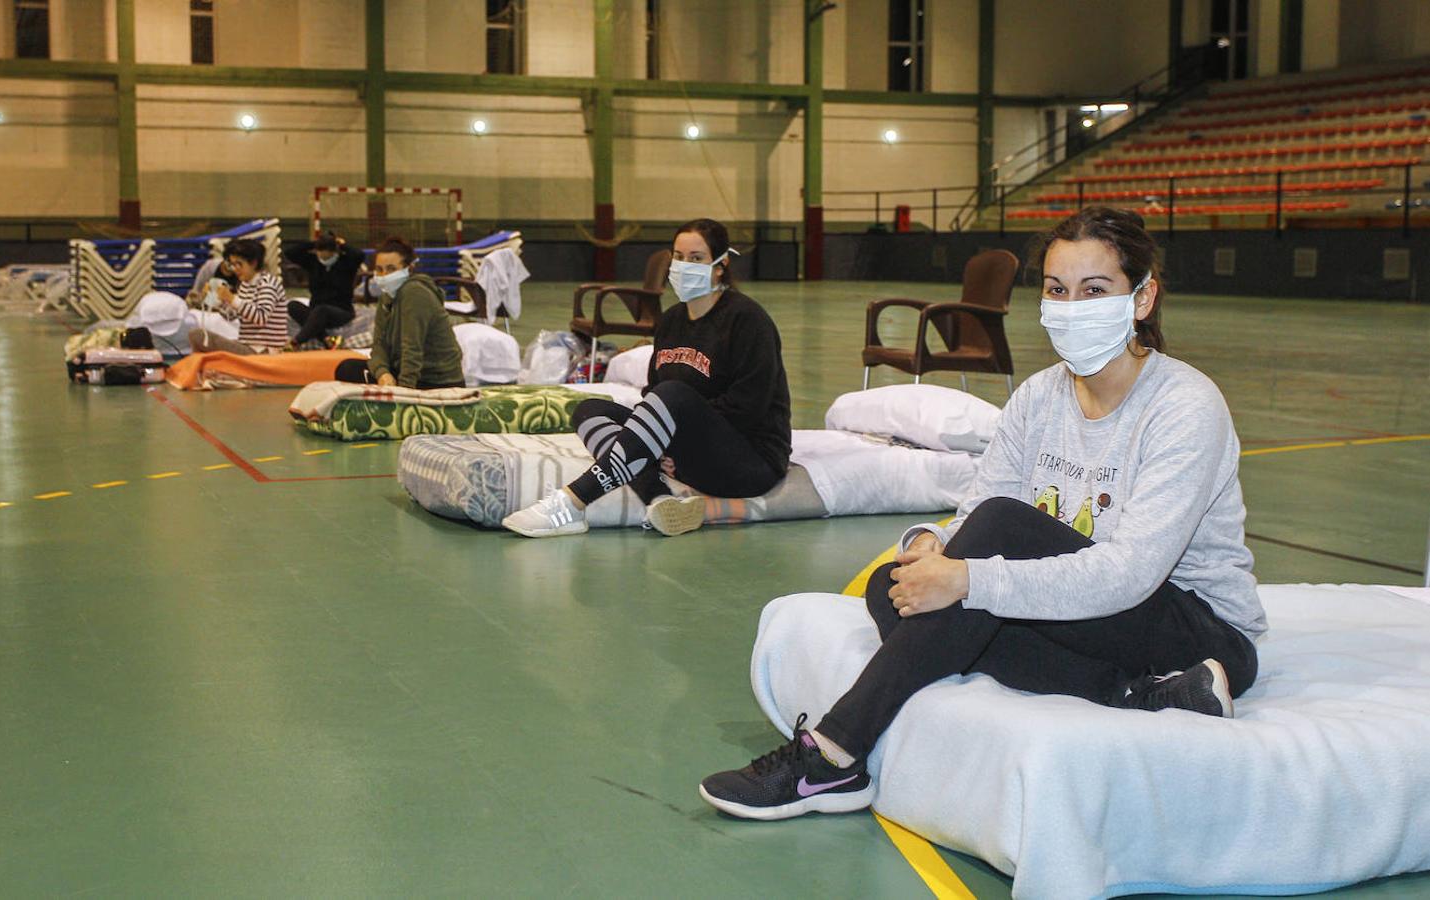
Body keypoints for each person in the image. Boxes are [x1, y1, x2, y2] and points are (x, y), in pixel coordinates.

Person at [698, 206, 1267, 821]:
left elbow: (1127, 573)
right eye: (1057, 290)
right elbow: (971, 514)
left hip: (1195, 626)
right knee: (896, 590)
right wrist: (930, 545)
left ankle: (835, 753)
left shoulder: (1184, 405)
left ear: (1142, 297)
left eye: (1094, 290)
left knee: (996, 537)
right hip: (1097, 622)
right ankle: (1133, 696)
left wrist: (968, 577)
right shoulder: (1040, 396)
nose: (1071, 307)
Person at [502, 218, 791, 539]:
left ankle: (571, 502)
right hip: (689, 459)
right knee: (590, 410)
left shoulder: (748, 320)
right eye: (678, 257)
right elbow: (653, 392)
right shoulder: (671, 321)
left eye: (696, 258)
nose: (684, 266)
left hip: (748, 462)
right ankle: (659, 499)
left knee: (674, 395)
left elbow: (749, 407)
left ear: (721, 265)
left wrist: (673, 442)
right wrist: (666, 445)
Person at [334, 236, 464, 389]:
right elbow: (379, 345)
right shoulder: (387, 296)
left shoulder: (414, 292)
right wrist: (383, 373)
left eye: (391, 269)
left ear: (408, 268)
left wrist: (404, 392)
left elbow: (412, 349)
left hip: (436, 380)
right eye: (379, 269)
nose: (384, 275)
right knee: (347, 368)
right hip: (401, 371)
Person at [189, 238, 287, 354]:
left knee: (198, 336)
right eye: (232, 265)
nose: (235, 269)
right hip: (248, 345)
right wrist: (219, 300)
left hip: (264, 350)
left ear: (253, 263)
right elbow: (231, 316)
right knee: (199, 336)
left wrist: (232, 298)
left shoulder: (267, 284)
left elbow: (261, 317)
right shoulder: (245, 284)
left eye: (239, 264)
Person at [283, 231, 365, 346]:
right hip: (315, 311)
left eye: (327, 257)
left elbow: (360, 255)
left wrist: (341, 244)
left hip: (341, 311)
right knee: (292, 305)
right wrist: (314, 243)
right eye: (320, 255)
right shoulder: (313, 262)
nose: (323, 259)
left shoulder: (346, 262)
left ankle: (296, 342)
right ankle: (326, 338)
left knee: (322, 310)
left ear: (334, 252)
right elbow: (289, 253)